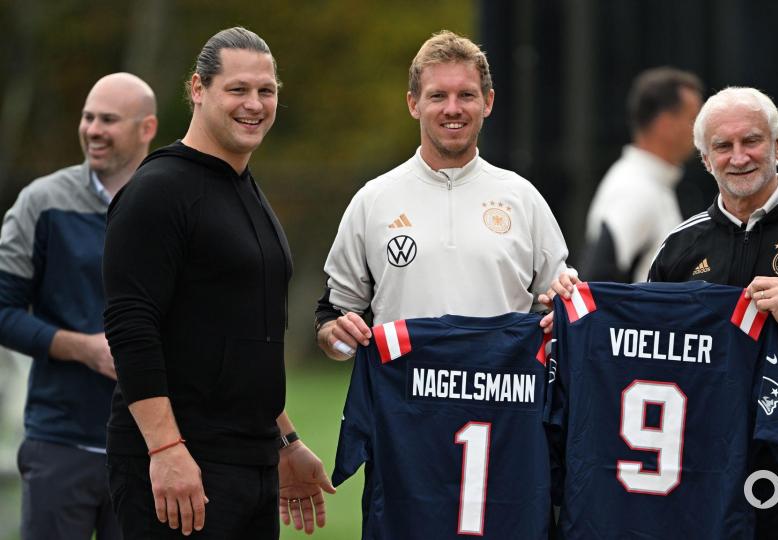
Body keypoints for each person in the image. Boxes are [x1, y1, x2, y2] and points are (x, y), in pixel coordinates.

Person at [543, 87, 778, 538]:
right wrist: (573, 317)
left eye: (752, 141)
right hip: (707, 476)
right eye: (723, 145)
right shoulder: (683, 245)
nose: (739, 156)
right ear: (705, 158)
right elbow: (641, 349)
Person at [102, 27, 334, 538]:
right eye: (238, 89)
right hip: (183, 466)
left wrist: (286, 444)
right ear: (198, 89)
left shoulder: (244, 188)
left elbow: (245, 340)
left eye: (266, 91)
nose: (254, 104)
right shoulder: (158, 191)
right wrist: (165, 451)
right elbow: (131, 329)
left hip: (251, 464)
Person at [315, 30, 570, 359]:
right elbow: (333, 320)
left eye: (466, 95)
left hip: (499, 407)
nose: (453, 108)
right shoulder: (373, 200)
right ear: (414, 104)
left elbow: (558, 313)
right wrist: (338, 339)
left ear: (487, 102)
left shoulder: (523, 198)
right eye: (438, 96)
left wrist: (563, 304)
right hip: (402, 406)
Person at [0, 72, 157, 540]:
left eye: (108, 119)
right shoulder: (42, 202)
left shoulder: (173, 204)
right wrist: (80, 348)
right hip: (59, 444)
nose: (92, 129)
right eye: (88, 117)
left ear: (146, 128)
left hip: (153, 449)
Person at [580, 67, 702, 283]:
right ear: (665, 124)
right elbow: (597, 279)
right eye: (693, 118)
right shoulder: (635, 188)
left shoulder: (648, 182)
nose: (701, 129)